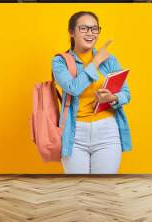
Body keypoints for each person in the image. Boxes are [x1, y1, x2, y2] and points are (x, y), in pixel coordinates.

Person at [51, 11, 132, 174]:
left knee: (103, 189)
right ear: (71, 32)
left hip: (107, 131)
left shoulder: (109, 60)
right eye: (84, 28)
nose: (90, 33)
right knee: (77, 190)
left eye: (94, 29)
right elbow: (73, 88)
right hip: (74, 133)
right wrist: (96, 61)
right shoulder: (60, 61)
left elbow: (126, 93)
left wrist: (112, 97)